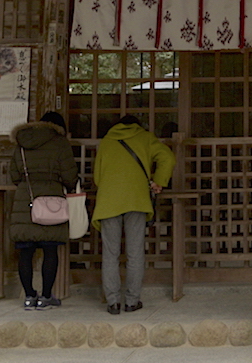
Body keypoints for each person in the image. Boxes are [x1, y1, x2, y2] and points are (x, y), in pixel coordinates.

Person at [93, 114, 174, 314]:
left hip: (109, 201)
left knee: (110, 255)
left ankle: (112, 302)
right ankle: (131, 301)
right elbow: (167, 157)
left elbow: (97, 176)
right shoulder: (145, 138)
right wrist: (159, 181)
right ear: (138, 126)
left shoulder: (107, 141)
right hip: (136, 200)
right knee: (135, 253)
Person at [9, 110, 79, 310]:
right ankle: (46, 296)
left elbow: (14, 174)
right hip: (52, 200)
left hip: (25, 200)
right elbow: (69, 176)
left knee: (25, 252)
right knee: (50, 249)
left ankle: (29, 296)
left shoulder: (21, 142)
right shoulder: (60, 142)